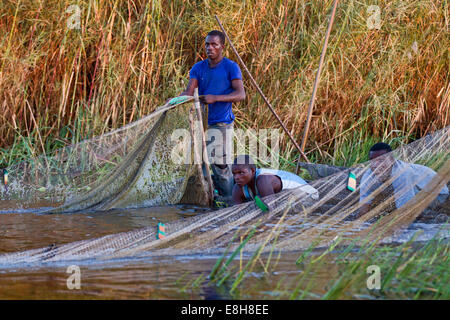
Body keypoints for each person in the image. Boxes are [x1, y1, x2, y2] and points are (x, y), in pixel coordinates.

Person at [175, 30, 246, 198]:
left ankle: (230, 201)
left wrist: (216, 98)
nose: (210, 48)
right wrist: (173, 101)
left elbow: (240, 94)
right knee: (200, 165)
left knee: (220, 166)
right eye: (207, 44)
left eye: (214, 44)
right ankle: (208, 200)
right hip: (201, 123)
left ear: (222, 47)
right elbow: (189, 92)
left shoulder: (230, 67)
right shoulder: (198, 68)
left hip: (221, 123)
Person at [359, 142, 449, 216]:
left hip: (438, 194)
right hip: (416, 190)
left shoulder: (402, 174)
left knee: (420, 216)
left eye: (381, 160)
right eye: (372, 161)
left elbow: (405, 210)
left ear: (392, 160)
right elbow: (364, 202)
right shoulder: (368, 175)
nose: (376, 165)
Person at [231, 155, 319, 205]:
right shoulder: (237, 189)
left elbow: (271, 209)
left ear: (253, 171)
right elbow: (236, 211)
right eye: (234, 174)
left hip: (308, 195)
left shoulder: (263, 180)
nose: (236, 177)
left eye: (241, 173)